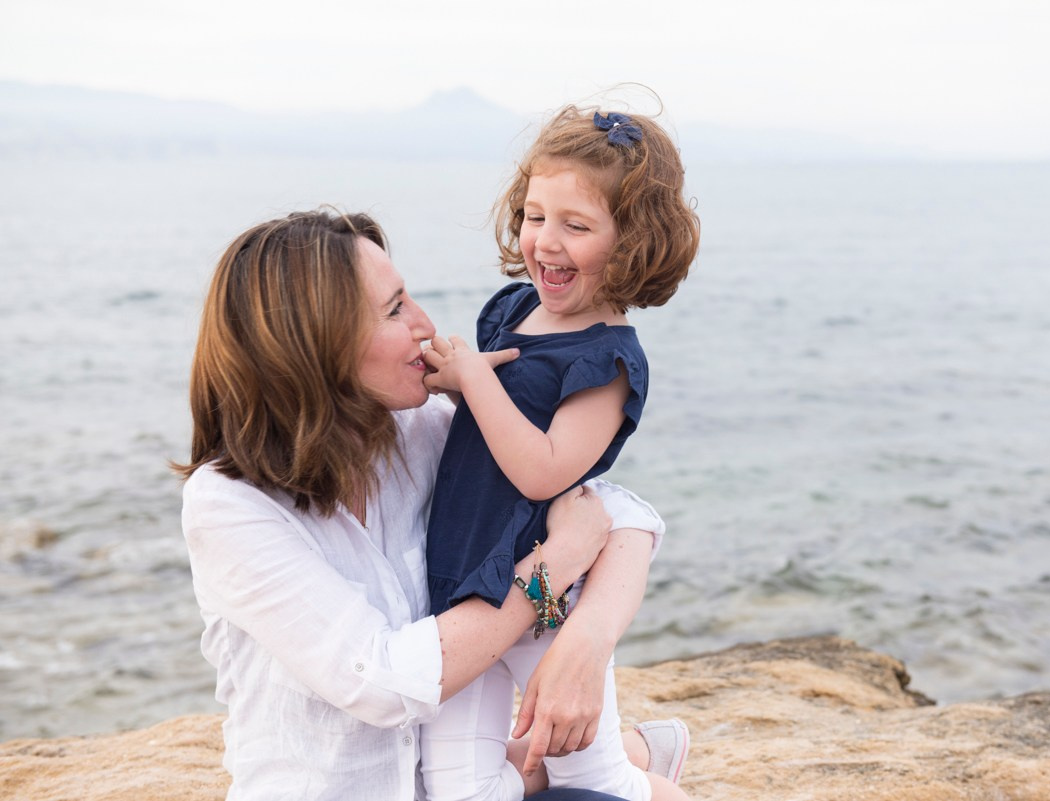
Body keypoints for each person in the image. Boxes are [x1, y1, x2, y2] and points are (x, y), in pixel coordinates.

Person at [175, 209, 682, 801]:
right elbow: (385, 683)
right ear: (313, 347)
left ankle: (626, 761)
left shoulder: (422, 431)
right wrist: (554, 565)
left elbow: (618, 515)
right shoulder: (229, 505)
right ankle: (635, 755)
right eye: (394, 310)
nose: (426, 324)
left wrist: (586, 642)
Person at [419, 100, 701, 801]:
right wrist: (455, 385)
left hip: (546, 591)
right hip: (460, 576)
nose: (546, 240)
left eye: (576, 225)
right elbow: (490, 428)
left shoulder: (604, 361)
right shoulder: (511, 309)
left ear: (632, 242)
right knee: (457, 785)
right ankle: (644, 750)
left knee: (591, 775)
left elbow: (543, 467)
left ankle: (654, 780)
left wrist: (475, 379)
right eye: (535, 215)